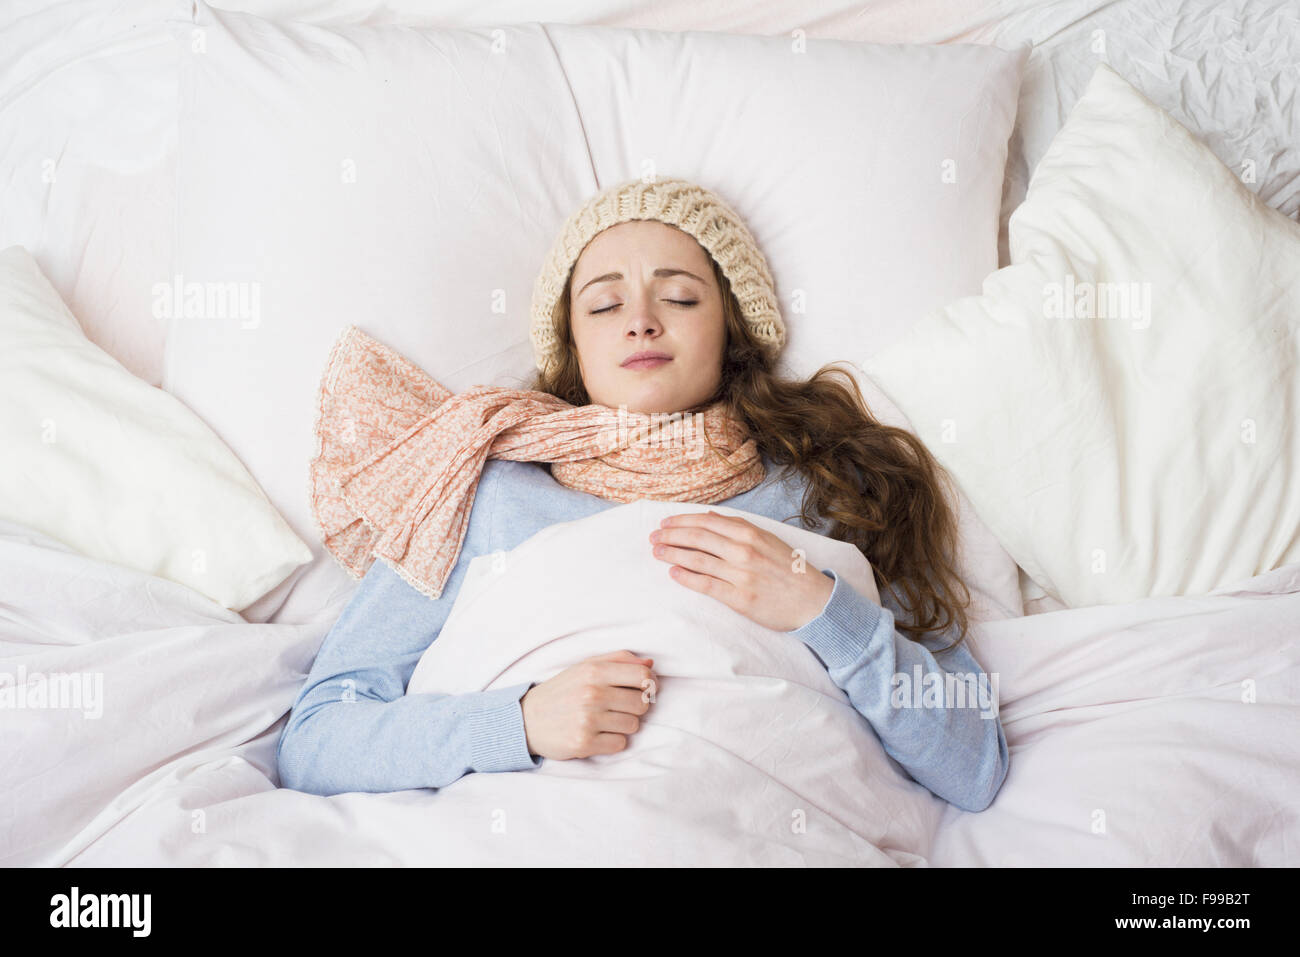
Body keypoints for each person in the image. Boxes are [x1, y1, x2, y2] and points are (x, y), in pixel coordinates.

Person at [276, 177, 1009, 813]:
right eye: (603, 305)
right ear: (572, 346)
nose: (640, 320)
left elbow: (972, 763)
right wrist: (518, 723)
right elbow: (316, 740)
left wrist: (820, 609)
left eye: (681, 296)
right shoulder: (484, 491)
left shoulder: (829, 489)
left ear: (734, 327)